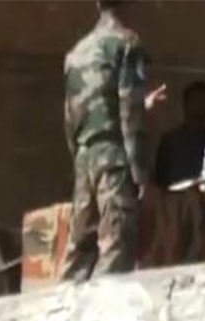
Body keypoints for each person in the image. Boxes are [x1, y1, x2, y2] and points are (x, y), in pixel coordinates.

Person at [62, 0, 153, 279]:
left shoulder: (76, 54)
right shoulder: (127, 43)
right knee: (117, 246)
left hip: (84, 157)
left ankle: (63, 314)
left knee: (79, 251)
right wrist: (139, 171)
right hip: (114, 159)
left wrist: (80, 161)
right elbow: (129, 111)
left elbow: (70, 116)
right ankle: (100, 317)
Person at [154, 81, 205, 189]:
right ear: (187, 105)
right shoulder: (169, 141)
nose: (203, 106)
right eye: (198, 101)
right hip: (176, 201)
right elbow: (160, 180)